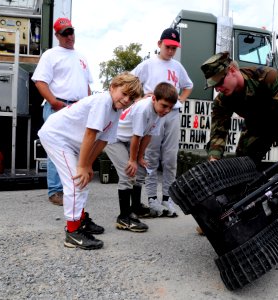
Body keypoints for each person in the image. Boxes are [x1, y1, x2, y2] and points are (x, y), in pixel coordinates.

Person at [200, 51, 278, 256]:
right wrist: (214, 158)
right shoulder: (224, 99)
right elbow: (219, 130)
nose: (218, 88)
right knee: (240, 168)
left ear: (232, 70)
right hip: (257, 128)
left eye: (219, 82)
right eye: (214, 86)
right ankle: (226, 217)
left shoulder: (268, 77)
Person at [38, 72, 143, 250]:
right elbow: (90, 133)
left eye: (131, 98)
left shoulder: (116, 111)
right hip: (56, 137)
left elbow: (102, 141)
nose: (126, 100)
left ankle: (80, 220)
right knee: (76, 182)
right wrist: (82, 165)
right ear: (112, 87)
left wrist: (87, 166)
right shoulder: (103, 101)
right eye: (124, 93)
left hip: (70, 141)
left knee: (84, 179)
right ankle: (72, 233)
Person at [131, 28, 193, 217]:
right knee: (151, 155)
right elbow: (130, 81)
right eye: (168, 47)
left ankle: (167, 197)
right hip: (153, 111)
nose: (171, 51)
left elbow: (188, 85)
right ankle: (151, 198)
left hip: (172, 114)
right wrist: (140, 97)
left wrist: (180, 100)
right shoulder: (148, 64)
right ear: (159, 44)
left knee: (170, 157)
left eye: (174, 48)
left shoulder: (177, 66)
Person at [32, 17, 93, 206]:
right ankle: (55, 191)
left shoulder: (82, 57)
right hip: (59, 106)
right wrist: (54, 102)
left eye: (71, 31)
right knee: (56, 149)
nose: (69, 36)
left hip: (78, 108)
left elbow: (87, 85)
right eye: (65, 33)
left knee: (75, 148)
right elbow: (40, 81)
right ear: (57, 35)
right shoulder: (51, 55)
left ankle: (70, 187)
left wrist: (89, 105)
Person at [105, 82, 178, 232]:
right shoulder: (143, 109)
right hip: (114, 139)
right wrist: (132, 160)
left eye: (170, 107)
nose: (167, 110)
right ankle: (124, 218)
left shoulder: (161, 113)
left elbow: (148, 135)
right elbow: (136, 137)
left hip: (128, 140)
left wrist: (139, 159)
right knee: (128, 172)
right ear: (154, 99)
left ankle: (136, 207)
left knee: (140, 170)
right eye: (164, 105)